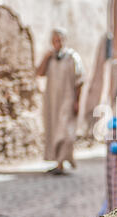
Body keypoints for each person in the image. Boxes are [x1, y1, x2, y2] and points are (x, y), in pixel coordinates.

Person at [36, 28, 85, 175]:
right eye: (55, 40)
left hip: (67, 99)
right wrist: (46, 57)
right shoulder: (50, 58)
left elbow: (79, 81)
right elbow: (39, 73)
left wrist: (77, 101)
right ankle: (58, 161)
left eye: (60, 40)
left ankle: (62, 161)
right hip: (52, 100)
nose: (58, 43)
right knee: (54, 129)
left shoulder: (72, 58)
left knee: (64, 131)